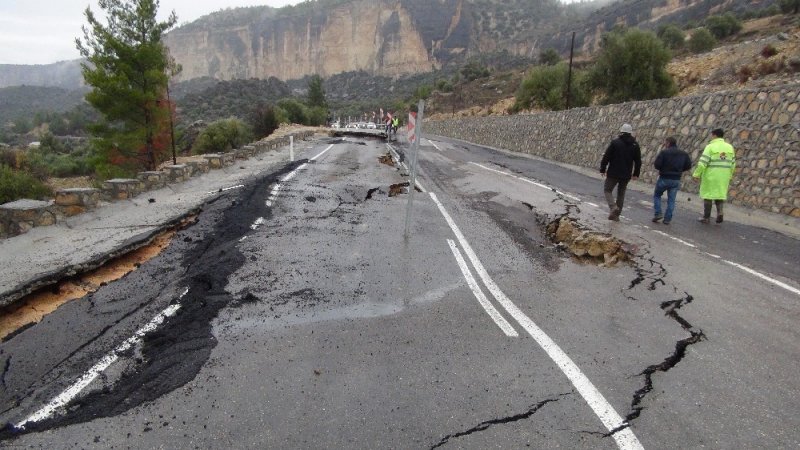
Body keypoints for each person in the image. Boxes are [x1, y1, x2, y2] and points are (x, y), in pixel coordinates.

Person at [693, 128, 736, 224]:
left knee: (708, 195)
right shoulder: (729, 147)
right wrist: (730, 175)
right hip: (724, 176)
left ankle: (706, 217)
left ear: (714, 135)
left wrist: (696, 174)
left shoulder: (710, 147)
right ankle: (720, 212)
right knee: (719, 195)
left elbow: (702, 163)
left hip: (711, 175)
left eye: (711, 135)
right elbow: (733, 164)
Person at [600, 123, 642, 221]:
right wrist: (636, 173)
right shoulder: (635, 145)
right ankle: (616, 216)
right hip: (626, 174)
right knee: (621, 194)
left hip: (613, 172)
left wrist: (603, 168)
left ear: (621, 132)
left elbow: (607, 156)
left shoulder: (615, 143)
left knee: (607, 190)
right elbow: (638, 161)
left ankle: (613, 207)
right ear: (631, 133)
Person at [652, 136, 692, 224]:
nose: (664, 145)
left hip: (664, 177)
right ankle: (667, 219)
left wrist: (662, 169)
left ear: (668, 143)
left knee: (657, 195)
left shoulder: (664, 152)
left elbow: (657, 165)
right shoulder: (683, 154)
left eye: (665, 143)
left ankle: (658, 213)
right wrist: (680, 170)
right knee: (671, 200)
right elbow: (688, 165)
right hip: (676, 179)